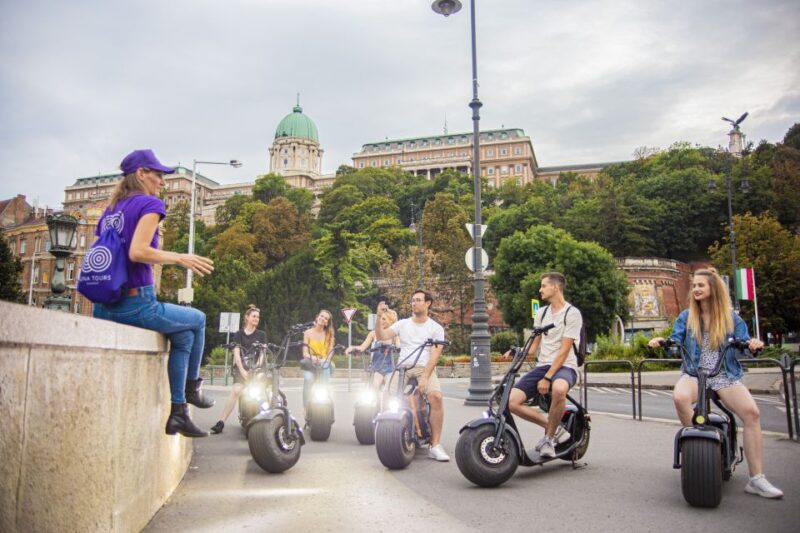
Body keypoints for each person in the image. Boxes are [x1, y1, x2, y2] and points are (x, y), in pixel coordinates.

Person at [92, 149, 215, 438]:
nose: (162, 182)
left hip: (104, 305)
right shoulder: (150, 204)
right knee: (198, 319)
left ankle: (178, 413)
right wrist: (180, 258)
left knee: (183, 336)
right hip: (135, 302)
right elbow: (137, 252)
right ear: (141, 174)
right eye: (158, 175)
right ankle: (192, 387)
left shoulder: (111, 210)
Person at [648, 268, 783, 499]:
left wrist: (752, 345)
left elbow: (744, 344)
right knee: (680, 397)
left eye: (701, 285)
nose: (696, 289)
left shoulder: (732, 319)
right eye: (694, 286)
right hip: (694, 373)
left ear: (713, 289)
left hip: (723, 374)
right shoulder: (686, 317)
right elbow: (675, 342)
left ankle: (756, 478)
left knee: (752, 413)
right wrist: (661, 342)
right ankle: (697, 450)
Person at [506, 272, 582, 458]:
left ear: (556, 287)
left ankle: (548, 439)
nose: (540, 290)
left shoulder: (572, 314)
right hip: (543, 365)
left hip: (566, 366)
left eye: (543, 286)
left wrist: (548, 377)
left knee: (558, 389)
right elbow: (533, 347)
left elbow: (564, 351)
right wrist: (517, 352)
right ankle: (555, 429)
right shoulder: (541, 313)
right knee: (511, 402)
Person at [374, 290, 449, 462]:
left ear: (427, 303)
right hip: (403, 367)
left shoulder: (435, 328)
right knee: (386, 393)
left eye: (418, 300)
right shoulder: (403, 324)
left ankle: (435, 445)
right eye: (412, 300)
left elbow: (435, 356)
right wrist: (379, 318)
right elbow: (381, 336)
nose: (414, 303)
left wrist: (424, 378)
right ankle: (386, 434)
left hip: (425, 367)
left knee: (436, 396)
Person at [210, 305, 266, 434]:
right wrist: (242, 371)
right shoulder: (238, 335)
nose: (256, 319)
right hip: (242, 368)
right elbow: (236, 354)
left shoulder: (262, 335)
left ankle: (266, 417)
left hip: (256, 368)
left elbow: (262, 354)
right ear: (246, 318)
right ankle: (221, 422)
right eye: (254, 316)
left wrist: (257, 368)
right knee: (236, 391)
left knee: (264, 388)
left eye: (258, 317)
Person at [345, 308, 399, 393]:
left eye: (384, 319)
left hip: (390, 369)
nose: (381, 320)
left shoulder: (395, 336)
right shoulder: (373, 334)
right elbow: (362, 347)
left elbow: (399, 346)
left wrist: (399, 348)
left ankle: (389, 404)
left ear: (391, 322)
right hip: (376, 368)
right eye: (380, 318)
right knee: (374, 387)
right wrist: (353, 348)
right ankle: (373, 404)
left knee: (390, 389)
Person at [302, 309, 335, 411]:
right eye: (321, 316)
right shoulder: (307, 333)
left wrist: (324, 360)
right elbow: (305, 353)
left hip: (325, 363)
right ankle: (306, 408)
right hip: (311, 363)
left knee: (325, 367)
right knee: (308, 379)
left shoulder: (329, 335)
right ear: (317, 317)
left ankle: (327, 400)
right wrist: (313, 358)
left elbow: (330, 353)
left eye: (326, 318)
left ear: (327, 323)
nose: (323, 319)